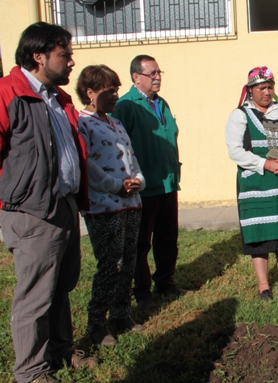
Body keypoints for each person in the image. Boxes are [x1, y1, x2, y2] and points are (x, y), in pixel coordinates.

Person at [0, 22, 98, 383]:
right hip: (32, 212)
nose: (72, 62)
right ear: (39, 56)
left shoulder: (57, 99)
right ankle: (29, 371)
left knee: (60, 286)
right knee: (35, 296)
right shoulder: (8, 92)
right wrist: (17, 197)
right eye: (65, 55)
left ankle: (59, 349)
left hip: (63, 206)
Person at [75, 65, 146, 346]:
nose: (116, 95)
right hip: (103, 205)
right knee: (110, 264)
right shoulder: (82, 123)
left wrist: (138, 179)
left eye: (117, 89)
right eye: (109, 90)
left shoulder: (115, 122)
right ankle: (96, 323)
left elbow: (132, 157)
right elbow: (87, 164)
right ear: (90, 93)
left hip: (131, 202)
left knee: (128, 260)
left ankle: (120, 313)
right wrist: (115, 185)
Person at [225, 66, 278, 300]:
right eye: (262, 88)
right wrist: (266, 164)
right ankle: (263, 285)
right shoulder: (240, 115)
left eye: (270, 87)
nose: (267, 92)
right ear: (251, 90)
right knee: (260, 236)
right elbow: (235, 151)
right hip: (257, 185)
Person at [112, 54, 184, 312]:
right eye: (151, 73)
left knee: (168, 238)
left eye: (158, 72)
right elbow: (118, 146)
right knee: (141, 243)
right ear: (136, 77)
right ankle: (142, 293)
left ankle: (165, 282)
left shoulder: (161, 103)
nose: (157, 77)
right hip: (143, 188)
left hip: (168, 183)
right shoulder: (126, 106)